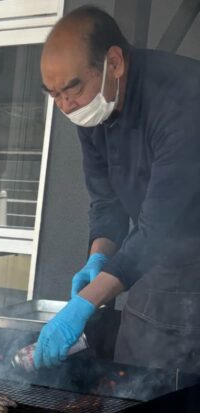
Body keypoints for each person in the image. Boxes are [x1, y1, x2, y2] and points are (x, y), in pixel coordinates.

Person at [36, 6, 200, 373]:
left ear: (114, 62)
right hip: (151, 263)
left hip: (191, 265)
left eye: (72, 89)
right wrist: (98, 257)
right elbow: (106, 201)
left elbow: (160, 228)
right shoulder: (94, 108)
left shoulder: (183, 102)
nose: (65, 106)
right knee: (129, 382)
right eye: (54, 95)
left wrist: (84, 303)